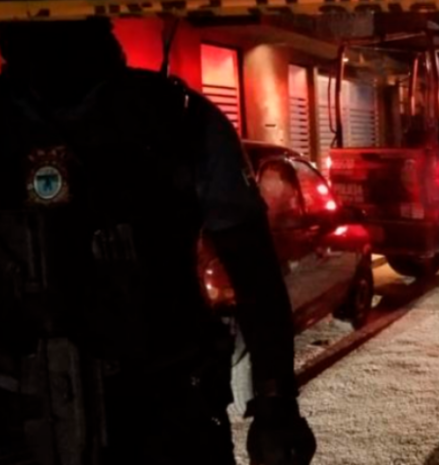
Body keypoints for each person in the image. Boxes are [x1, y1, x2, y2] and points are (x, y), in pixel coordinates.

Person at [0, 18, 315, 465]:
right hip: (26, 417)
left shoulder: (176, 117)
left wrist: (276, 401)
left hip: (167, 409)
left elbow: (254, 271)